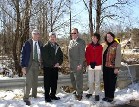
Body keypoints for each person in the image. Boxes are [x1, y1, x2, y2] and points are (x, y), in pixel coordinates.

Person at [20, 29, 43, 105]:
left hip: (37, 64)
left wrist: (42, 63)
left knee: (35, 82)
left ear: (39, 35)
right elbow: (22, 55)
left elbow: (42, 55)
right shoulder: (27, 43)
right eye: (35, 34)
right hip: (29, 65)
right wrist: (23, 66)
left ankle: (34, 95)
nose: (36, 35)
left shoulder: (40, 43)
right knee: (28, 82)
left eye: (37, 34)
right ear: (32, 35)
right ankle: (26, 97)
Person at [41, 32, 63, 103]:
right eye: (51, 37)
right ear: (49, 38)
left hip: (55, 68)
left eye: (54, 37)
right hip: (48, 67)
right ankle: (47, 97)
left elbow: (61, 56)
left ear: (55, 38)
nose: (53, 38)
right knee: (47, 83)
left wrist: (59, 63)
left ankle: (53, 95)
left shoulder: (57, 46)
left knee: (54, 82)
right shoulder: (45, 46)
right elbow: (45, 58)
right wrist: (54, 64)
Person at [102, 32, 121, 102]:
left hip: (112, 68)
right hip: (105, 67)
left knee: (111, 83)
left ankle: (111, 97)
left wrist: (117, 67)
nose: (108, 38)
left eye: (110, 37)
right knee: (106, 82)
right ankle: (106, 96)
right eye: (107, 37)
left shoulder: (117, 45)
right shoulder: (105, 45)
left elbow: (118, 57)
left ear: (113, 37)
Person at [68, 28, 86, 101]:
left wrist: (80, 64)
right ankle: (76, 91)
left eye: (74, 33)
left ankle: (80, 94)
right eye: (72, 33)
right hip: (71, 64)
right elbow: (69, 53)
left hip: (78, 64)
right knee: (73, 80)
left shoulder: (81, 42)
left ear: (77, 33)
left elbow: (82, 55)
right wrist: (69, 63)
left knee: (78, 80)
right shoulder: (71, 41)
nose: (73, 34)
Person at [85, 33, 103, 101]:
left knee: (97, 80)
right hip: (90, 65)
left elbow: (100, 56)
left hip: (98, 65)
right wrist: (90, 62)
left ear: (98, 39)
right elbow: (87, 55)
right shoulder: (88, 46)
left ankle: (97, 94)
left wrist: (96, 62)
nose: (94, 39)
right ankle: (90, 92)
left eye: (95, 37)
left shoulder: (100, 47)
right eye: (93, 37)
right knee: (90, 80)